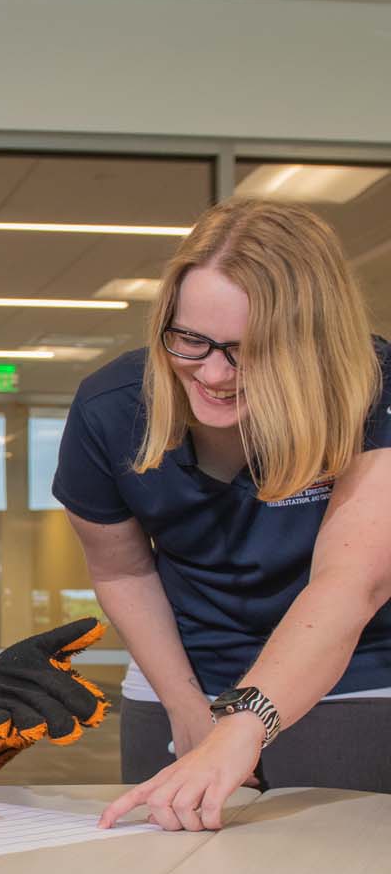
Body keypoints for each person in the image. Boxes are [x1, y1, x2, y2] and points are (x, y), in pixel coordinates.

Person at [50, 197, 391, 832]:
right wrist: (189, 710)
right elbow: (123, 572)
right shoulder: (112, 407)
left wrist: (245, 725)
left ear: (313, 344)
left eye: (249, 349)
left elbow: (352, 582)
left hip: (355, 676)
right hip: (183, 673)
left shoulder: (375, 390)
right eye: (190, 341)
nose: (213, 373)